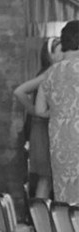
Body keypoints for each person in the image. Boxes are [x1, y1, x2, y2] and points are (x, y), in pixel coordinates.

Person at [35, 20, 79, 205]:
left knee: (66, 201)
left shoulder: (50, 73)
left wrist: (59, 115)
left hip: (61, 145)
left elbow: (39, 109)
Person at [13, 37, 63, 198]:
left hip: (46, 128)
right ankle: (41, 220)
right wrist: (36, 111)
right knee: (46, 178)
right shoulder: (48, 73)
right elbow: (19, 91)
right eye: (61, 51)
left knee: (47, 179)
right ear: (50, 55)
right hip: (44, 129)